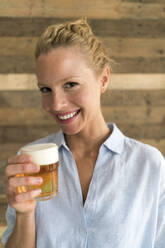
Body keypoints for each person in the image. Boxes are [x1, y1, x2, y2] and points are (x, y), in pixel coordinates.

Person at [2, 19, 165, 248]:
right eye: (46, 89)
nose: (56, 104)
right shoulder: (30, 162)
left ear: (103, 80)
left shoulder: (149, 166)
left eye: (70, 84)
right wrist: (25, 214)